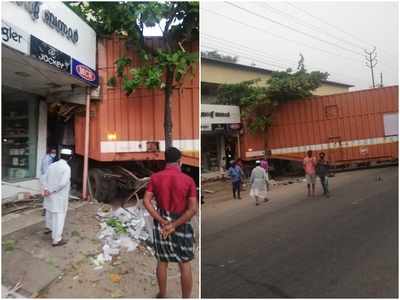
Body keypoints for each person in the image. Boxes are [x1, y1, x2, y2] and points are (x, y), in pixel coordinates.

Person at [143, 147, 197, 298]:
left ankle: (162, 294)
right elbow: (192, 209)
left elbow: (146, 201)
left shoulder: (155, 178)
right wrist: (174, 224)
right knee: (184, 263)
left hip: (162, 225)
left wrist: (161, 220)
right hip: (182, 222)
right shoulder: (188, 180)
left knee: (162, 261)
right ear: (180, 161)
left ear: (165, 161)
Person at [41, 148, 72, 247]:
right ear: (70, 158)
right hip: (58, 197)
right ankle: (57, 240)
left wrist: (46, 189)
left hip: (50, 196)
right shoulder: (66, 168)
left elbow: (44, 178)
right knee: (59, 217)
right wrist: (50, 190)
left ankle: (49, 228)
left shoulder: (52, 165)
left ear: (60, 156)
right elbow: (62, 183)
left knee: (49, 212)